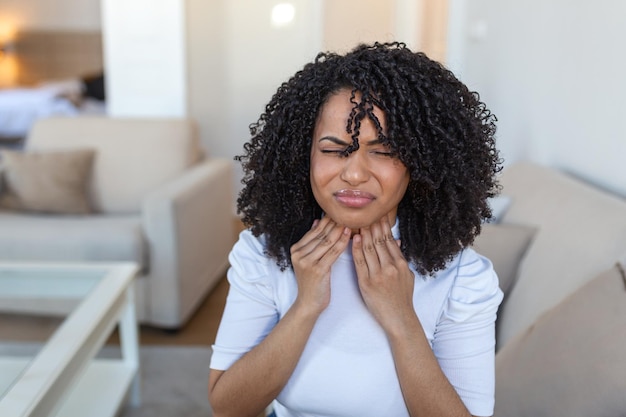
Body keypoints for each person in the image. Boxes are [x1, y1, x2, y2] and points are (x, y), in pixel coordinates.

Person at [208, 41, 504, 417]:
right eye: (333, 150)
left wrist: (401, 318)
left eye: (382, 152)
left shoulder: (464, 278)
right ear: (304, 156)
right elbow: (226, 406)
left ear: (422, 164)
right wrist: (305, 306)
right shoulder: (263, 253)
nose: (354, 174)